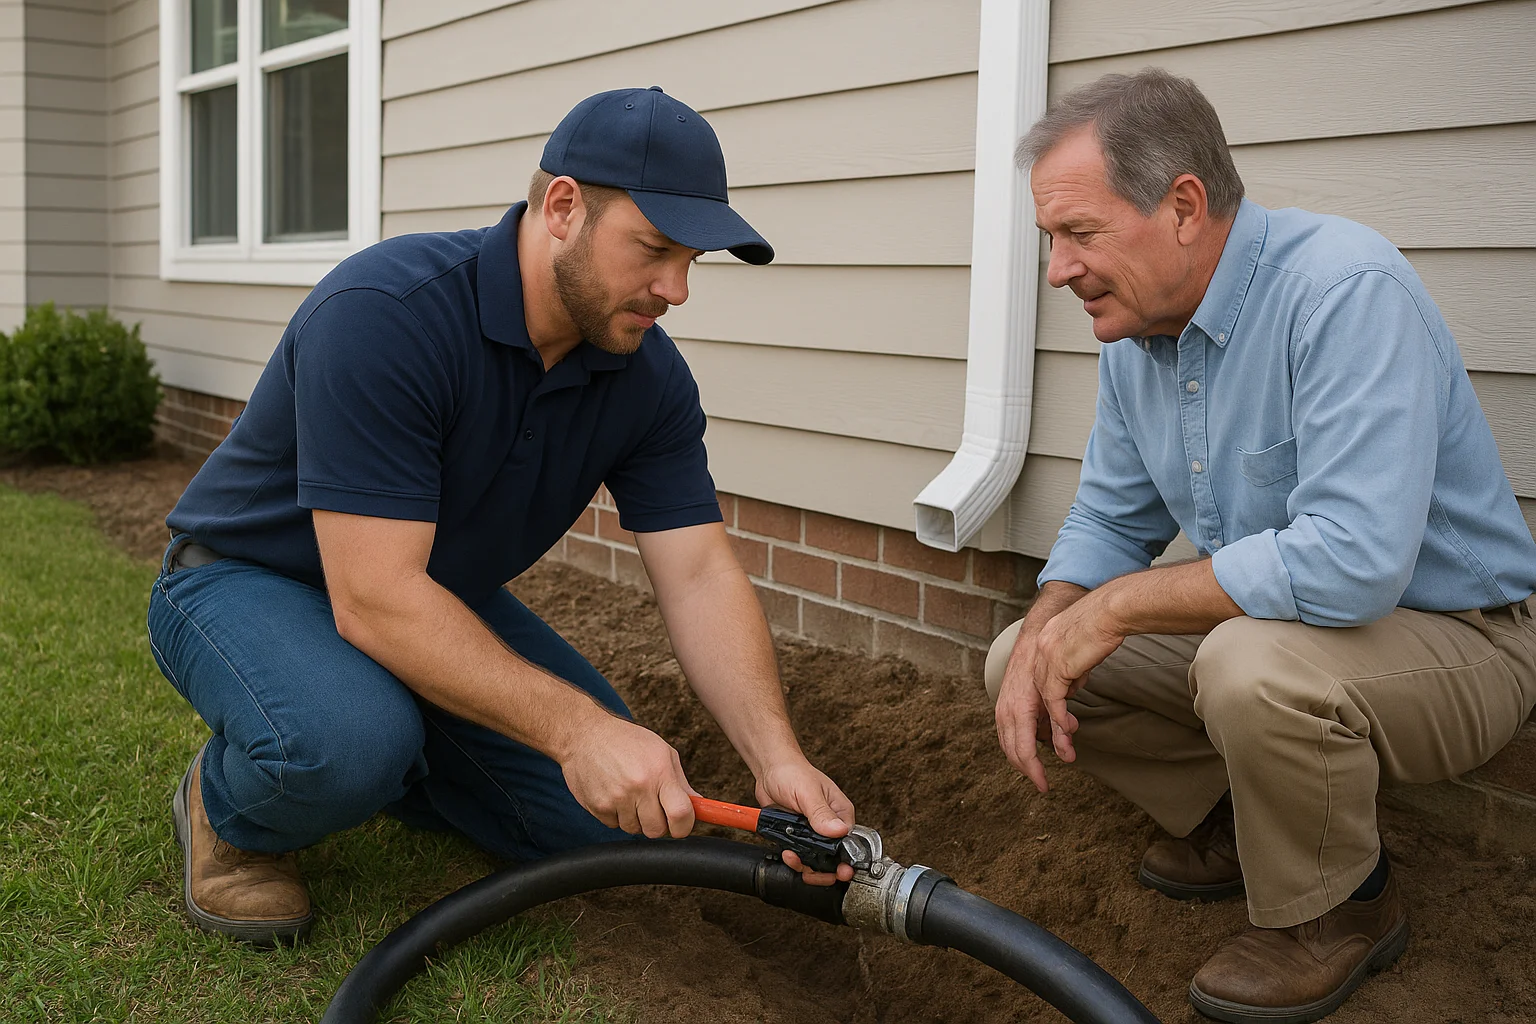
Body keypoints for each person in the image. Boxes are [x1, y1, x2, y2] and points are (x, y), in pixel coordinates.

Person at [148, 86, 855, 946]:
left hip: (430, 595)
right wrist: (578, 729)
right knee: (345, 743)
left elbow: (699, 572)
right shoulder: (387, 314)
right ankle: (231, 812)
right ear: (563, 207)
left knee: (599, 823)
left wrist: (775, 759)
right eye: (655, 249)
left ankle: (396, 755)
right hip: (247, 581)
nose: (675, 288)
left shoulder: (646, 377)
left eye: (692, 258)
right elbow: (371, 598)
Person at [985, 68, 1536, 1023]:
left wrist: (1116, 607)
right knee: (1018, 656)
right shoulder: (1135, 340)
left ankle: (1339, 912)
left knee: (1248, 664)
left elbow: (1354, 562)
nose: (1059, 270)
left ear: (1185, 206)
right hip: (1288, 632)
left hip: (1463, 641)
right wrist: (1050, 623)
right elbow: (1112, 523)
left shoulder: (1342, 291)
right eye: (1051, 241)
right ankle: (1240, 826)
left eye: (1080, 234)